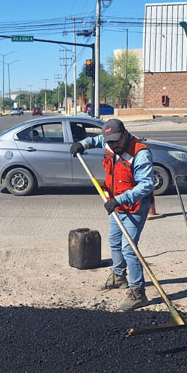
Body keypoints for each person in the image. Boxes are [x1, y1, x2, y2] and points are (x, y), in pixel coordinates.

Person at [70, 118, 154, 310]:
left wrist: (120, 200)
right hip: (115, 202)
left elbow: (146, 185)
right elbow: (96, 140)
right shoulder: (109, 142)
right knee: (114, 241)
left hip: (135, 206)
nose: (113, 145)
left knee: (128, 249)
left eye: (116, 141)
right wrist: (81, 145)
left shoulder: (140, 154)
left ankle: (138, 292)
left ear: (124, 134)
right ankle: (118, 276)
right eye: (110, 142)